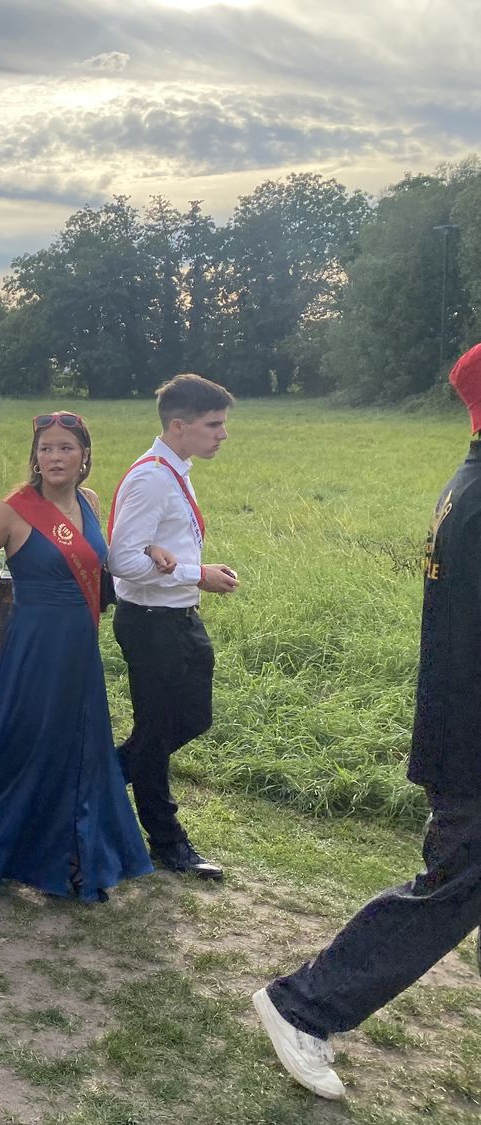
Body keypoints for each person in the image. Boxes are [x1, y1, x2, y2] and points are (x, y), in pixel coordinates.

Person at [252, 343, 481, 1101]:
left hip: (460, 726)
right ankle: (304, 1005)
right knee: (451, 888)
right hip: (473, 740)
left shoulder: (467, 485)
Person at [0, 412, 158, 903]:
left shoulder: (89, 502)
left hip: (80, 647)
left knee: (78, 745)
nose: (55, 457)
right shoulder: (13, 510)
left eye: (66, 447)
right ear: (35, 456)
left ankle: (75, 851)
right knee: (25, 743)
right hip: (34, 648)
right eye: (46, 448)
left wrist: (154, 550)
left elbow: (102, 562)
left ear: (84, 455)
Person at [106, 373, 239, 880]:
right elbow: (121, 561)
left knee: (188, 720)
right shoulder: (152, 478)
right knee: (156, 732)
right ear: (179, 426)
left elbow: (158, 549)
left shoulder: (175, 471)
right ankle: (167, 841)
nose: (222, 434)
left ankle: (95, 781)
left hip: (180, 617)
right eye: (214, 424)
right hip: (150, 622)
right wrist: (194, 574)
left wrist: (191, 572)